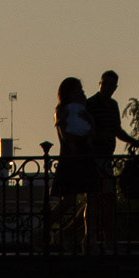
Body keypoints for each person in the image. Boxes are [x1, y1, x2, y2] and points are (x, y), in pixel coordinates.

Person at [85, 70, 139, 253]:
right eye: (104, 84)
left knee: (107, 201)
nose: (107, 88)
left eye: (110, 85)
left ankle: (108, 240)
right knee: (94, 201)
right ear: (100, 84)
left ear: (115, 88)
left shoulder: (112, 106)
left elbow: (116, 130)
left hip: (107, 159)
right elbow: (87, 131)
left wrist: (133, 141)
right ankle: (91, 239)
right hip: (93, 157)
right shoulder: (90, 104)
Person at [49, 76, 98, 251]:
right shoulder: (62, 110)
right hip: (71, 158)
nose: (82, 93)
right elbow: (65, 135)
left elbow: (91, 133)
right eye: (79, 90)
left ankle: (88, 238)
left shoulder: (82, 111)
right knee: (68, 201)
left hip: (85, 157)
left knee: (92, 198)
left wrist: (90, 122)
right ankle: (44, 229)